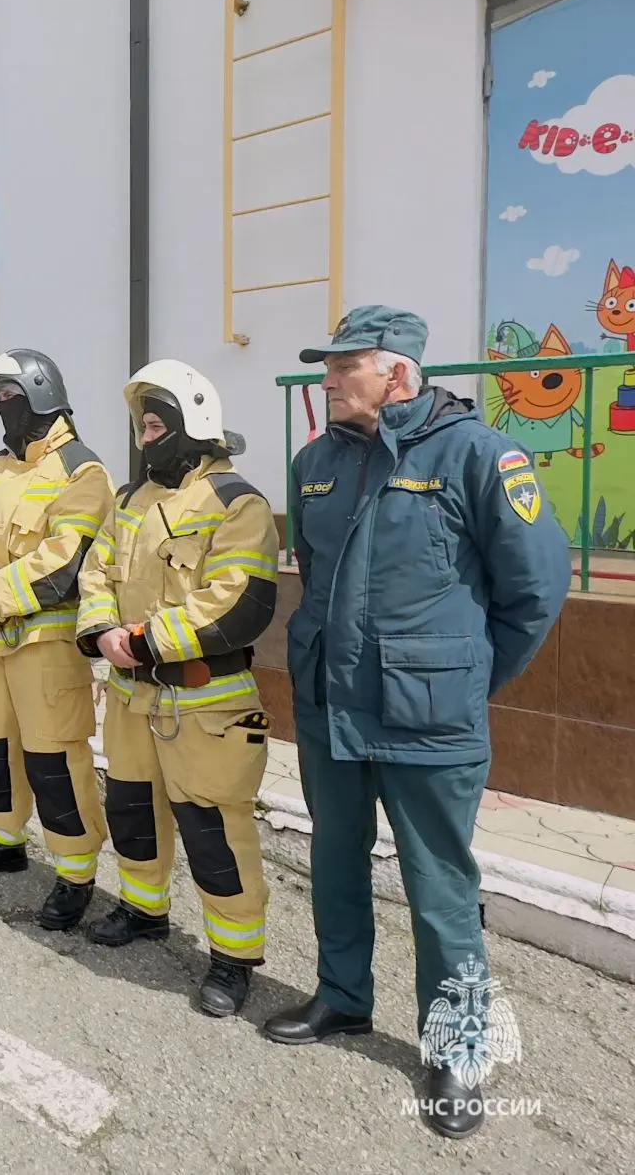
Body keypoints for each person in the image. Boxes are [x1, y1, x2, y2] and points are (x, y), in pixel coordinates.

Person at [267, 307, 569, 1138]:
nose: (329, 380)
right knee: (334, 862)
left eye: (345, 367)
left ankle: (459, 1047)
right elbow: (316, 577)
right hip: (332, 707)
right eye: (327, 367)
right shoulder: (315, 461)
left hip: (429, 718)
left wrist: (464, 678)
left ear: (397, 373)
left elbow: (535, 590)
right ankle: (342, 997)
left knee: (439, 887)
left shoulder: (480, 454)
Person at [77, 361, 279, 1018]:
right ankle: (143, 909)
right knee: (132, 809)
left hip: (205, 701)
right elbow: (96, 571)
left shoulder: (237, 502)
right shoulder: (131, 499)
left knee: (213, 829)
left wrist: (142, 641)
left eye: (155, 423)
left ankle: (234, 956)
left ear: (194, 422)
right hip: (131, 695)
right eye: (141, 424)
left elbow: (237, 601)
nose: (144, 436)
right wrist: (101, 630)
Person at [0, 348, 111, 932]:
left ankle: (75, 873)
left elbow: (67, 559)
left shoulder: (83, 471)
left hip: (44, 647)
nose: (0, 406)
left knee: (54, 762)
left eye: (9, 395)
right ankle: (4, 839)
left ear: (41, 394)